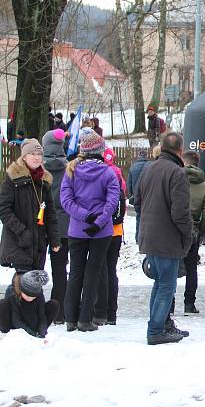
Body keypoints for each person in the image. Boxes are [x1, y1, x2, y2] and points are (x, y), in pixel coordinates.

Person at [136, 132, 193, 345]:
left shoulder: (148, 168)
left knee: (160, 283)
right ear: (180, 150)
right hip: (167, 237)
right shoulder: (177, 173)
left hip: (149, 234)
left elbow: (138, 200)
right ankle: (156, 329)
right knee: (166, 285)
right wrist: (188, 233)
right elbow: (180, 211)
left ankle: (161, 324)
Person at [60, 130, 120, 332]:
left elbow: (66, 201)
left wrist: (85, 216)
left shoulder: (71, 171)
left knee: (75, 272)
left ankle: (70, 319)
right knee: (93, 273)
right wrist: (99, 220)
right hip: (101, 232)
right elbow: (113, 202)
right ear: (100, 150)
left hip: (77, 230)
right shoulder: (108, 172)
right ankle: (85, 319)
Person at [0, 139, 59, 272]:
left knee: (34, 285)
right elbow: (3, 209)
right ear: (24, 156)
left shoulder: (44, 180)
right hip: (19, 243)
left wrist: (54, 238)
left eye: (39, 154)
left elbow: (50, 213)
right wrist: (21, 231)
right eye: (33, 154)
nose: (36, 157)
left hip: (39, 244)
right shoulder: (13, 178)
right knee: (24, 286)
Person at [93, 148, 126, 326]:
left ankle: (101, 310)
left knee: (100, 270)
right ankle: (112, 312)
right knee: (111, 270)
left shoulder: (99, 174)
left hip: (101, 230)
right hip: (117, 231)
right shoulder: (118, 175)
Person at [41, 130, 69, 324]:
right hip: (66, 226)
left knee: (38, 268)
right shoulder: (69, 169)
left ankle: (38, 309)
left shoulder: (39, 170)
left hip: (43, 226)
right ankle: (60, 311)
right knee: (62, 270)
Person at [181, 151, 205, 315]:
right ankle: (189, 303)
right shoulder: (204, 186)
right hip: (193, 229)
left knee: (171, 267)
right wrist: (201, 230)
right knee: (191, 267)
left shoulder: (175, 179)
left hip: (174, 228)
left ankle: (169, 303)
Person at [0, 270, 59, 337]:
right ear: (22, 290)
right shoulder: (12, 292)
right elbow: (16, 320)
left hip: (32, 322)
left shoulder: (38, 293)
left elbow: (41, 316)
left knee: (54, 304)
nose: (30, 298)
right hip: (15, 327)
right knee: (2, 304)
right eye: (28, 296)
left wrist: (42, 333)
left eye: (33, 297)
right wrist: (32, 334)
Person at [126, 148, 151, 243]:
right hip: (148, 196)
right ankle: (147, 238)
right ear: (146, 156)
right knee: (149, 217)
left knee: (139, 217)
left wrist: (131, 195)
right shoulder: (151, 165)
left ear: (138, 156)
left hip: (137, 197)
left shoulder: (133, 167)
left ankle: (138, 238)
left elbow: (129, 183)